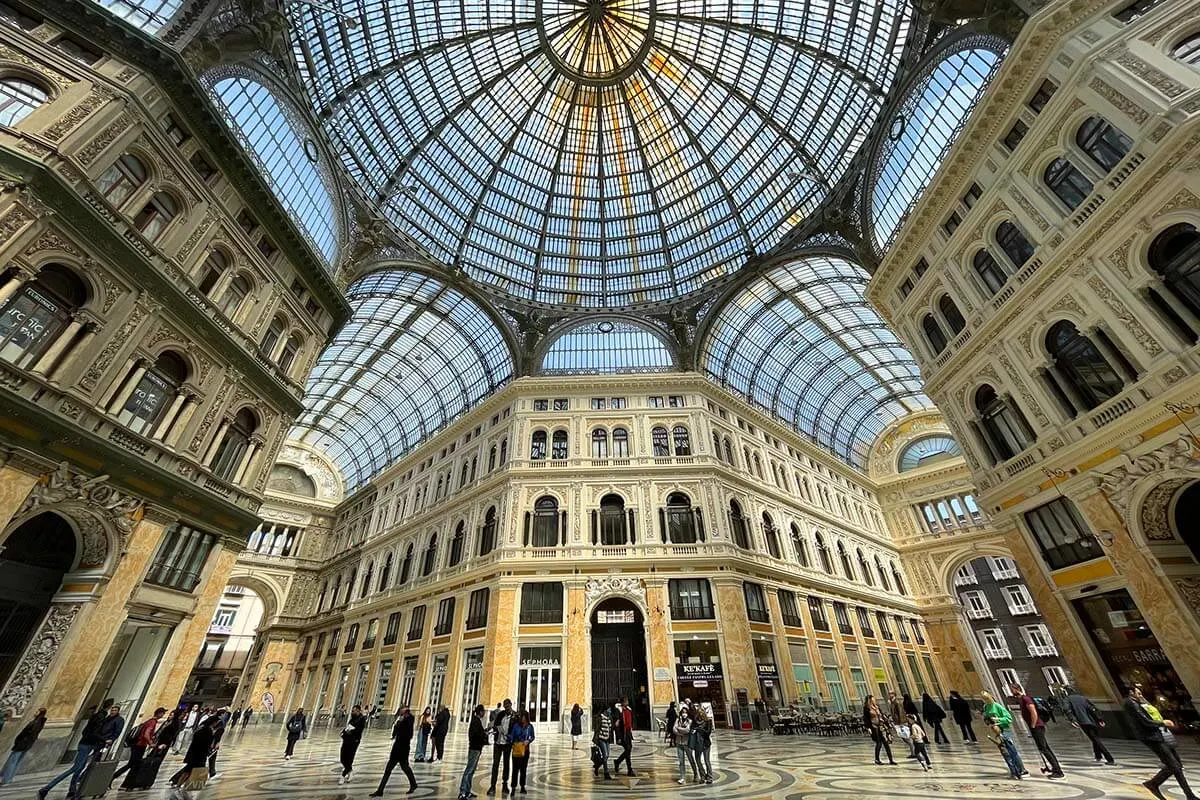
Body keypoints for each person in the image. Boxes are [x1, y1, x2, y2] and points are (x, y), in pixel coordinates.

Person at [39, 698, 123, 800]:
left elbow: (86, 731)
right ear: (110, 707)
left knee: (79, 769)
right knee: (75, 768)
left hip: (86, 743)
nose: (112, 711)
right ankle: (46, 788)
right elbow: (94, 733)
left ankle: (72, 790)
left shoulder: (99, 716)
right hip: (87, 744)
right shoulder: (102, 717)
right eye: (112, 709)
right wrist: (105, 740)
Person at [1124, 684, 1197, 800]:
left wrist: (1143, 700)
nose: (1141, 694)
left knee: (1176, 764)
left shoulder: (1138, 702)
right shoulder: (1130, 703)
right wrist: (1163, 723)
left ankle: (1189, 794)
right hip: (1151, 737)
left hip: (1159, 734)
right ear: (1131, 693)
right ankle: (1153, 784)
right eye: (1138, 693)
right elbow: (1145, 721)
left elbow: (1152, 712)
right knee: (1174, 766)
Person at [1011, 683, 1063, 778]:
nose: (1011, 692)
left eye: (1012, 689)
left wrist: (1033, 725)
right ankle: (1055, 768)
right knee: (1044, 748)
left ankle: (1058, 771)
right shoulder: (1021, 700)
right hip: (1036, 727)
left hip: (1037, 726)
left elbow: (1033, 712)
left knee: (1044, 749)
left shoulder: (1025, 698)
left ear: (1016, 689)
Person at [112, 707, 166, 787]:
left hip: (137, 745)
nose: (163, 715)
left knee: (131, 764)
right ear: (159, 713)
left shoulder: (149, 721)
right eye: (163, 713)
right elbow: (146, 734)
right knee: (134, 765)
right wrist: (150, 743)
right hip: (140, 745)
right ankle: (126, 783)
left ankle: (120, 781)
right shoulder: (152, 722)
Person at [370, 705, 417, 796]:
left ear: (406, 710)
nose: (400, 711)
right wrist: (398, 723)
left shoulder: (409, 718)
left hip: (403, 749)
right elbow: (396, 731)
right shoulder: (401, 718)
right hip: (396, 748)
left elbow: (409, 733)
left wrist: (402, 720)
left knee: (405, 768)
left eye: (401, 709)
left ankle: (413, 784)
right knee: (389, 770)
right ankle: (380, 790)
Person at [981, 690, 1025, 780]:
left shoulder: (997, 706)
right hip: (996, 730)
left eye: (986, 699)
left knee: (1012, 751)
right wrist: (986, 720)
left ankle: (1020, 769)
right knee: (1005, 752)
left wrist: (998, 719)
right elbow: (986, 717)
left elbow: (1009, 718)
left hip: (1004, 730)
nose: (985, 701)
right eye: (984, 699)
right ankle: (1013, 771)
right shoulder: (985, 707)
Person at [169, 714, 220, 791]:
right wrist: (209, 750)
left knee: (188, 770)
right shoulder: (207, 731)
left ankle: (178, 785)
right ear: (214, 722)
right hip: (199, 755)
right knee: (193, 771)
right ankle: (187, 787)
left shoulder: (201, 728)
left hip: (193, 753)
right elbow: (206, 744)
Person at [1064, 687, 1113, 764]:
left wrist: (1072, 720)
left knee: (1095, 740)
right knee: (1094, 738)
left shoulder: (1068, 699)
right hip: (1092, 721)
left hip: (1083, 722)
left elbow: (1067, 709)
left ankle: (1109, 758)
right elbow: (1092, 708)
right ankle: (1098, 756)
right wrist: (1099, 719)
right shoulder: (1083, 698)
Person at [2, 707, 46, 784]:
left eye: (37, 711)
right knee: (17, 761)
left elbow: (26, 734)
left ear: (40, 713)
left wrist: (18, 740)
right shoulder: (40, 723)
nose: (35, 713)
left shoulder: (35, 723)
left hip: (22, 743)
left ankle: (6, 779)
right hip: (27, 744)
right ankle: (9, 778)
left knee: (13, 761)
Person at [459, 704, 488, 800]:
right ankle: (462, 792)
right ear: (480, 712)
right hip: (475, 748)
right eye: (483, 711)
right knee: (469, 770)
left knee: (472, 770)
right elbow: (475, 735)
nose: (484, 713)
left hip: (476, 748)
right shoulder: (476, 721)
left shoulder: (476, 721)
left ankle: (467, 791)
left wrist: (484, 733)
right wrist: (484, 735)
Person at [488, 698, 514, 795]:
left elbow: (515, 729)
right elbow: (495, 725)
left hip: (507, 744)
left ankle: (505, 785)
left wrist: (511, 737)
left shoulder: (515, 716)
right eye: (505, 706)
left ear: (511, 705)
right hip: (498, 743)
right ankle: (492, 786)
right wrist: (496, 729)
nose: (506, 708)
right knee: (495, 764)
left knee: (506, 765)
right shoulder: (500, 715)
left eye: (508, 706)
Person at [863, 696, 896, 766]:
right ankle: (877, 759)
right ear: (870, 700)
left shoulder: (877, 707)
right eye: (873, 699)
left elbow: (882, 716)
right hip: (874, 727)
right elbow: (866, 718)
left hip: (881, 726)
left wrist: (888, 725)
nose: (875, 700)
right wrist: (868, 727)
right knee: (879, 743)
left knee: (886, 743)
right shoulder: (867, 708)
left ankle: (891, 760)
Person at [339, 704, 367, 784]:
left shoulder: (362, 719)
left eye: (353, 710)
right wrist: (343, 732)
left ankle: (343, 776)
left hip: (354, 741)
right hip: (346, 740)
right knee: (342, 758)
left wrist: (351, 732)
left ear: (358, 711)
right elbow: (348, 726)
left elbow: (359, 730)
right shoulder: (352, 719)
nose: (352, 712)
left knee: (349, 758)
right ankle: (350, 771)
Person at [509, 711, 535, 794]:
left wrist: (528, 741)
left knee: (523, 769)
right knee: (515, 769)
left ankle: (522, 786)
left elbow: (532, 736)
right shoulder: (516, 726)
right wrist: (509, 739)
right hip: (516, 750)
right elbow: (512, 736)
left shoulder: (530, 727)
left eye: (524, 717)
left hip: (525, 750)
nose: (522, 719)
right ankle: (513, 787)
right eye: (521, 717)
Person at [672, 706, 698, 785]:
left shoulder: (690, 721)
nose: (684, 714)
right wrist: (681, 732)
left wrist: (679, 729)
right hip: (679, 742)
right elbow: (674, 729)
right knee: (681, 761)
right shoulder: (678, 720)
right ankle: (682, 777)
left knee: (691, 759)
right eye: (683, 712)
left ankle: (695, 774)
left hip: (687, 743)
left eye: (685, 712)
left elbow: (687, 730)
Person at [691, 704, 713, 784]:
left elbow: (708, 733)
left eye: (701, 713)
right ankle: (703, 775)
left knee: (707, 760)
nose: (699, 715)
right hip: (697, 743)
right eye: (698, 713)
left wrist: (700, 730)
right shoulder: (695, 722)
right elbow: (691, 730)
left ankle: (710, 776)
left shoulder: (708, 721)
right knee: (698, 760)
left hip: (706, 743)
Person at [613, 697, 635, 777]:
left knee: (628, 749)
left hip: (628, 733)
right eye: (626, 701)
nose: (627, 702)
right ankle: (630, 769)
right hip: (623, 733)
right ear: (622, 702)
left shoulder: (629, 710)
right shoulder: (618, 711)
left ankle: (618, 762)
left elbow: (631, 720)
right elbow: (616, 725)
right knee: (628, 750)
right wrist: (618, 737)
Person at [592, 702, 612, 780]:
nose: (610, 710)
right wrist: (596, 742)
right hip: (601, 739)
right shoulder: (600, 718)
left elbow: (610, 728)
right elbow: (596, 730)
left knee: (606, 756)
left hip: (607, 739)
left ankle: (597, 766)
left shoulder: (608, 718)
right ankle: (606, 773)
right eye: (609, 709)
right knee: (605, 754)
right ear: (605, 710)